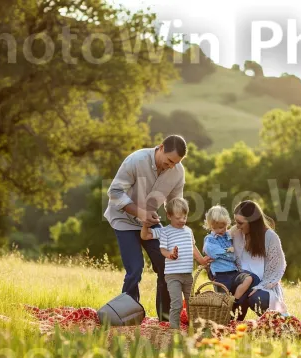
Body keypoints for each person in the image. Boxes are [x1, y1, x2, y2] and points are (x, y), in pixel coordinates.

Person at [104, 135, 187, 322]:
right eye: (169, 161)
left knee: (166, 264)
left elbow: (174, 202)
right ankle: (125, 317)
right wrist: (140, 213)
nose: (171, 166)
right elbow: (115, 193)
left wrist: (178, 221)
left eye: (176, 163)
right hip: (124, 219)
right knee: (135, 268)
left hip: (149, 220)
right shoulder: (136, 160)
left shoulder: (177, 171)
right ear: (161, 148)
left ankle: (165, 318)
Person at [140, 197, 211, 329]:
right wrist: (145, 225)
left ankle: (194, 326)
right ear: (169, 215)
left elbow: (193, 248)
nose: (182, 221)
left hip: (187, 275)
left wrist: (202, 261)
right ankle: (174, 328)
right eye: (178, 218)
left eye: (184, 217)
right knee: (177, 303)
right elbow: (146, 236)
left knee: (191, 303)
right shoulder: (165, 231)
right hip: (172, 275)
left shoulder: (188, 231)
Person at [229, 200, 288, 319]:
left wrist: (260, 286)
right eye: (236, 222)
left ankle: (277, 321)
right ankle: (232, 322)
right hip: (241, 282)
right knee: (236, 293)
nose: (237, 226)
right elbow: (218, 243)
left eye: (240, 223)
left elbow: (277, 268)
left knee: (258, 298)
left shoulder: (271, 237)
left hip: (263, 285)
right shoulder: (235, 232)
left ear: (252, 222)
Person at [201, 205, 260, 318]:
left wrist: (227, 253)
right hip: (221, 276)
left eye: (224, 226)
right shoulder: (210, 239)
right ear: (210, 226)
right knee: (223, 301)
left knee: (249, 278)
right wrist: (230, 253)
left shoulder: (229, 235)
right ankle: (224, 319)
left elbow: (233, 252)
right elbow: (214, 253)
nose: (221, 230)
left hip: (233, 272)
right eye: (217, 227)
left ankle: (235, 301)